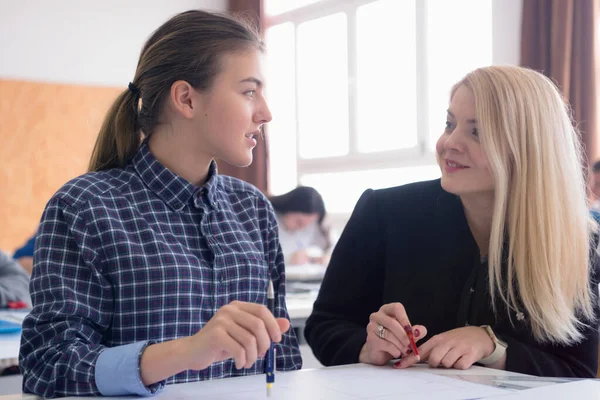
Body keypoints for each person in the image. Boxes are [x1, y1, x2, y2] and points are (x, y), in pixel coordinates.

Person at [19, 10, 302, 398]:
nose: (265, 112)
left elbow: (282, 359)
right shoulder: (84, 206)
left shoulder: (252, 209)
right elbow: (47, 364)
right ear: (186, 98)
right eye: (249, 91)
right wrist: (185, 352)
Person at [304, 66, 599, 378]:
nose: (449, 143)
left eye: (477, 132)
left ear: (527, 148)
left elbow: (577, 369)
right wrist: (366, 347)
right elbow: (324, 324)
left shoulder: (575, 241)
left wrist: (493, 348)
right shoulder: (383, 212)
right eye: (450, 124)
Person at [269, 186, 331, 265]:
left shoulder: (311, 227)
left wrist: (318, 259)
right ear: (288, 208)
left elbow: (327, 247)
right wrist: (288, 259)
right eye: (299, 222)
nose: (302, 228)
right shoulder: (267, 220)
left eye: (309, 224)